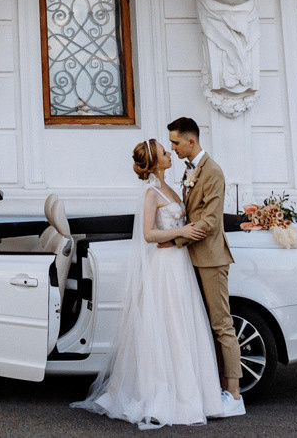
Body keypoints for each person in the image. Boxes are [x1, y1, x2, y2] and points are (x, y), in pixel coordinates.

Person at [73, 137, 226, 427]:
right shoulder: (151, 193)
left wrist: (187, 230)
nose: (170, 154)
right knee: (167, 326)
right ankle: (166, 397)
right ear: (155, 162)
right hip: (164, 266)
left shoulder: (172, 186)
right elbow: (148, 234)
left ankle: (197, 395)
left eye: (169, 150)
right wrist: (183, 231)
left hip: (179, 263)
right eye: (164, 152)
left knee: (184, 323)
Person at [167, 117, 245, 415]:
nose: (172, 148)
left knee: (222, 325)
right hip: (192, 256)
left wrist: (175, 241)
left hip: (211, 258)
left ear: (191, 141)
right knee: (202, 325)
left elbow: (211, 221)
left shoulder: (212, 172)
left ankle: (234, 395)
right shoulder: (190, 170)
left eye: (175, 142)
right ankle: (214, 387)